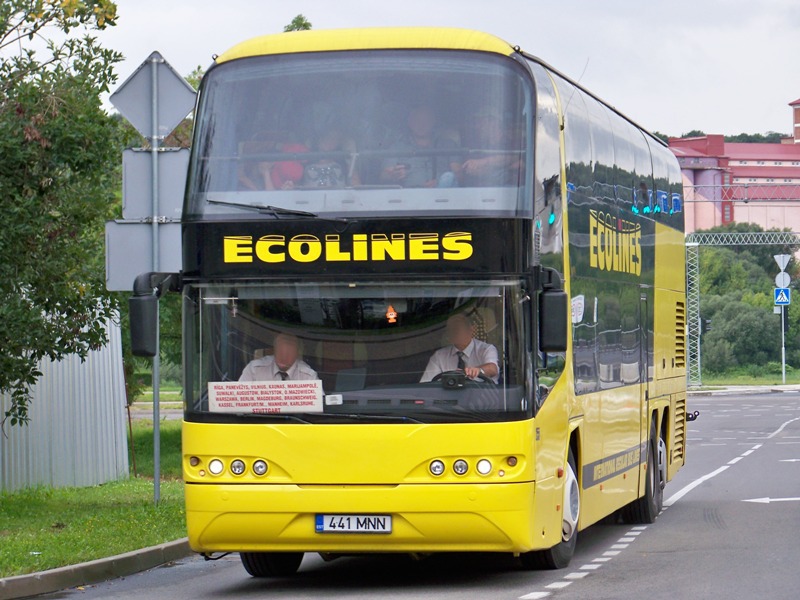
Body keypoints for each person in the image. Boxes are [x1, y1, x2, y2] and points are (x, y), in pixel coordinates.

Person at [379, 104, 460, 188]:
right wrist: (393, 174)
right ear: (409, 123)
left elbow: (458, 174)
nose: (421, 124)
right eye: (417, 120)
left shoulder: (448, 145)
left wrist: (439, 182)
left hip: (444, 195)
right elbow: (384, 176)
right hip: (407, 197)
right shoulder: (397, 148)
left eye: (426, 120)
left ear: (433, 122)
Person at [420, 314, 499, 383]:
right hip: (449, 398)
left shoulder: (486, 349)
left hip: (481, 398)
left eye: (457, 329)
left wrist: (478, 370)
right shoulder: (439, 356)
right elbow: (425, 385)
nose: (453, 332)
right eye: (450, 329)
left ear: (471, 330)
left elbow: (492, 369)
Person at [460, 108, 522, 187]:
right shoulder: (478, 145)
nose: (477, 126)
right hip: (481, 189)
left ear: (493, 122)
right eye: (476, 123)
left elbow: (516, 158)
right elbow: (471, 169)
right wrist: (499, 167)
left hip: (507, 190)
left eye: (480, 122)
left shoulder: (512, 141)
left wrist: (482, 162)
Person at [239, 333, 318, 381]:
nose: (284, 356)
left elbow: (320, 406)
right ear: (274, 350)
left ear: (297, 353)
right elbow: (238, 401)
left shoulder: (309, 376)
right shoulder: (254, 370)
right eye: (280, 350)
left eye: (289, 351)